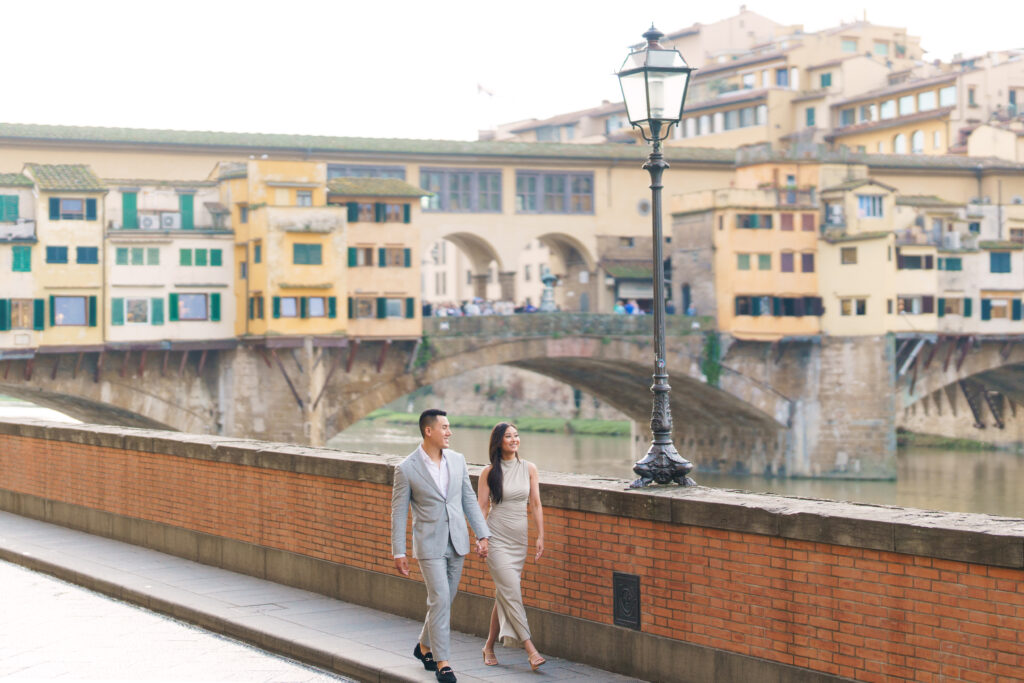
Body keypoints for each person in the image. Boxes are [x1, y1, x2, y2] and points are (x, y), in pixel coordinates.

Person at [392, 409, 491, 683]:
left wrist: (482, 535)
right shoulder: (406, 468)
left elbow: (468, 500)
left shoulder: (457, 461)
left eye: (449, 427)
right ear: (429, 431)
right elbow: (399, 512)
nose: (449, 432)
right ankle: (443, 662)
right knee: (439, 599)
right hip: (429, 545)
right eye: (444, 427)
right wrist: (398, 551)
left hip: (457, 541)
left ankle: (422, 646)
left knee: (445, 600)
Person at [476, 423, 546, 671]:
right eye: (508, 436)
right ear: (499, 441)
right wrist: (481, 537)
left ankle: (488, 646)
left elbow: (536, 504)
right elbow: (482, 508)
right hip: (496, 539)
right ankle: (531, 650)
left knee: (505, 593)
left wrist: (540, 535)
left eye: (516, 435)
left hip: (519, 541)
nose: (514, 440)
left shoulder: (529, 468)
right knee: (512, 591)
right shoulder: (489, 472)